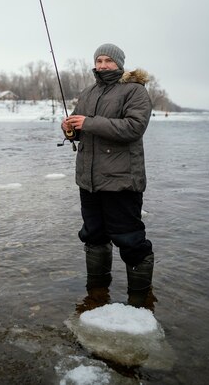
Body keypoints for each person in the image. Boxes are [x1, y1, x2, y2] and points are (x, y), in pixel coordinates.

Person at [62, 43, 154, 300]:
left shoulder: (135, 91)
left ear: (119, 63)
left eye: (108, 61)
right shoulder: (88, 92)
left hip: (121, 180)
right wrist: (70, 129)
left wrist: (89, 123)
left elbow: (133, 128)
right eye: (99, 60)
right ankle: (98, 293)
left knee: (130, 240)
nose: (102, 65)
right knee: (93, 236)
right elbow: (81, 131)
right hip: (89, 181)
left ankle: (141, 299)